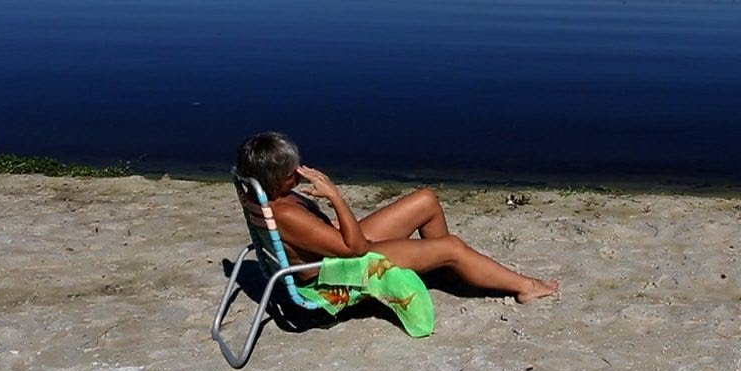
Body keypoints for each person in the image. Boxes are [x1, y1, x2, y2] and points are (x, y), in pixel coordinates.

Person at [236, 132, 559, 305]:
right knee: (453, 247)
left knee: (425, 200)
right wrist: (335, 196)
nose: (299, 172)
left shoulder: (266, 194)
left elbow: (323, 236)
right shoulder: (287, 212)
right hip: (336, 272)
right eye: (292, 171)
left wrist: (329, 222)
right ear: (276, 178)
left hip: (334, 247)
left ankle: (443, 270)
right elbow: (358, 249)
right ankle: (526, 287)